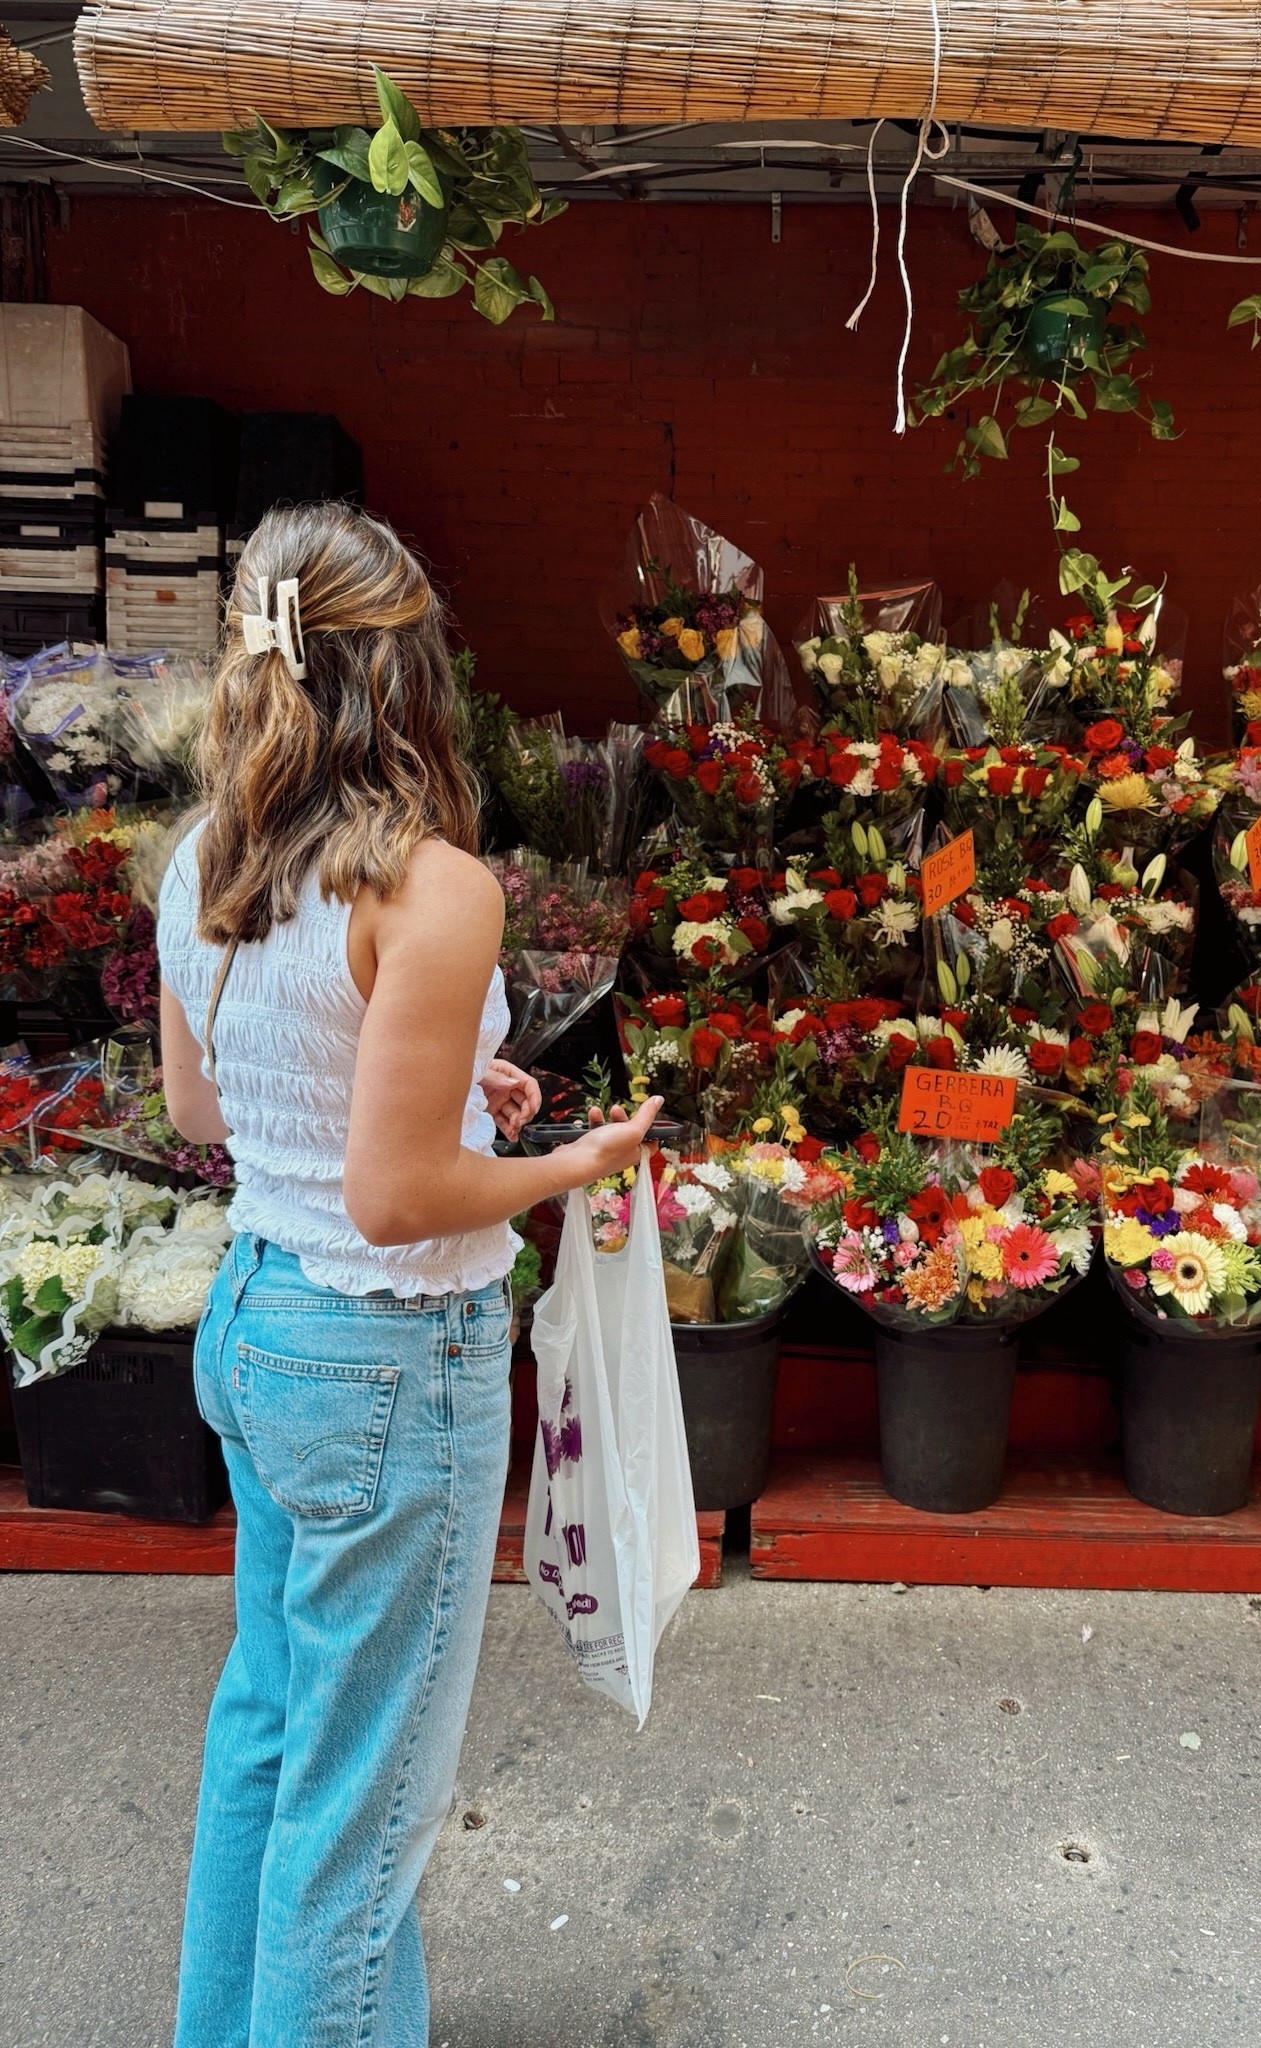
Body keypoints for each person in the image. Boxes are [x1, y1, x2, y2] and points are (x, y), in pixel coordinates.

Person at [158, 500, 661, 2048]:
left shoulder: (206, 863)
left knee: (270, 1731)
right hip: (384, 1367)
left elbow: (207, 1107)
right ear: (408, 674)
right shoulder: (437, 888)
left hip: (254, 1329)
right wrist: (567, 1165)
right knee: (367, 1804)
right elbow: (396, 1199)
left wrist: (457, 1088)